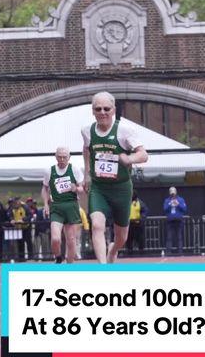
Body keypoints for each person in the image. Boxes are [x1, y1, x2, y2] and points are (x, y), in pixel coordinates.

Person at [81, 91, 148, 263]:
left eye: (106, 108)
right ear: (92, 111)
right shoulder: (87, 131)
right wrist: (87, 173)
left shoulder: (125, 130)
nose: (102, 112)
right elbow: (87, 149)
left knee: (121, 238)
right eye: (98, 109)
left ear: (113, 110)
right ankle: (103, 268)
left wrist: (129, 158)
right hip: (99, 187)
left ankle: (113, 251)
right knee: (96, 225)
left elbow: (143, 155)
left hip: (121, 188)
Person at [41, 146, 83, 263]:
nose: (62, 159)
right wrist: (45, 204)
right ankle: (58, 257)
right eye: (60, 157)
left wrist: (76, 188)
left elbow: (82, 188)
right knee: (55, 238)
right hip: (56, 207)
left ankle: (70, 263)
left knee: (71, 239)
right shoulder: (49, 171)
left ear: (69, 157)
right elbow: (44, 188)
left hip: (71, 205)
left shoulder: (74, 169)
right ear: (56, 156)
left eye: (65, 157)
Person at [163, 187, 187, 255]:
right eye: (171, 194)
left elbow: (184, 209)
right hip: (170, 221)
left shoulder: (181, 199)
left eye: (174, 193)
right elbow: (165, 209)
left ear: (176, 192)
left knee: (179, 237)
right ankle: (168, 252)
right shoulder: (167, 200)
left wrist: (178, 204)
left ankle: (180, 252)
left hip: (178, 221)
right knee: (169, 237)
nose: (173, 195)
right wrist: (170, 203)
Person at [9, 197, 33, 261]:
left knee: (28, 242)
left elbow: (30, 215)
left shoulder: (25, 207)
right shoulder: (12, 208)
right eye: (14, 203)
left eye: (17, 203)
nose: (15, 204)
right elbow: (10, 216)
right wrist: (12, 220)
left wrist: (23, 220)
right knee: (20, 243)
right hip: (18, 228)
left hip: (26, 227)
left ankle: (31, 257)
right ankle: (21, 258)